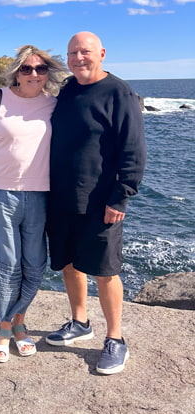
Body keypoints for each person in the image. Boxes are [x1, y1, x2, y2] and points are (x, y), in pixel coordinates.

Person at [46, 31, 146, 375]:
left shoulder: (120, 93)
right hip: (60, 198)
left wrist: (121, 195)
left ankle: (116, 339)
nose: (78, 58)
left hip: (102, 200)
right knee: (69, 264)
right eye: (72, 52)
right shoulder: (68, 90)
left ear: (101, 53)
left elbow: (134, 151)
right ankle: (79, 322)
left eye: (85, 51)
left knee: (105, 270)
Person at [0, 45, 66, 363]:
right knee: (5, 262)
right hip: (1, 193)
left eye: (40, 69)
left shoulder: (54, 105)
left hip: (43, 195)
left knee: (34, 263)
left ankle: (20, 322)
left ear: (48, 72)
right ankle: (4, 329)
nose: (34, 74)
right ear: (16, 72)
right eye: (27, 69)